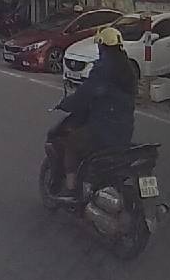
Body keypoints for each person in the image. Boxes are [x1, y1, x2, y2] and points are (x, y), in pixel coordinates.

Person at [54, 26, 137, 195]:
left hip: (102, 130)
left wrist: (66, 104)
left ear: (102, 46)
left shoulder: (103, 68)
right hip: (125, 131)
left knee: (71, 143)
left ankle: (70, 189)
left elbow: (86, 93)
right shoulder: (128, 68)